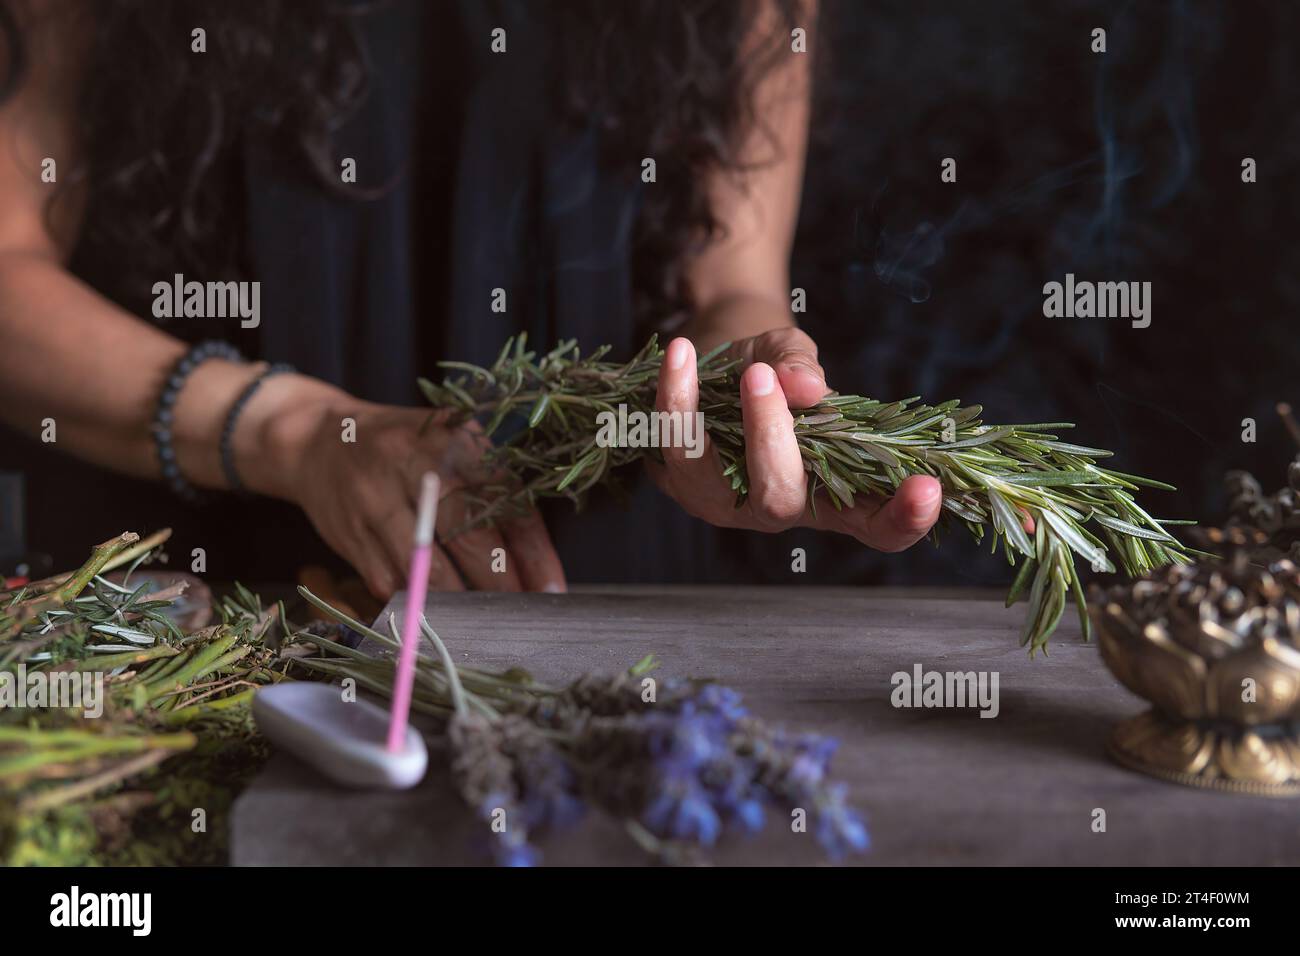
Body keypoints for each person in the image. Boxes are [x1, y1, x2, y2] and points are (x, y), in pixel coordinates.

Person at [0, 0, 942, 599]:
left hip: (592, 606)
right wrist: (295, 434)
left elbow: (732, 282)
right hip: (215, 606)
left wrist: (736, 408)